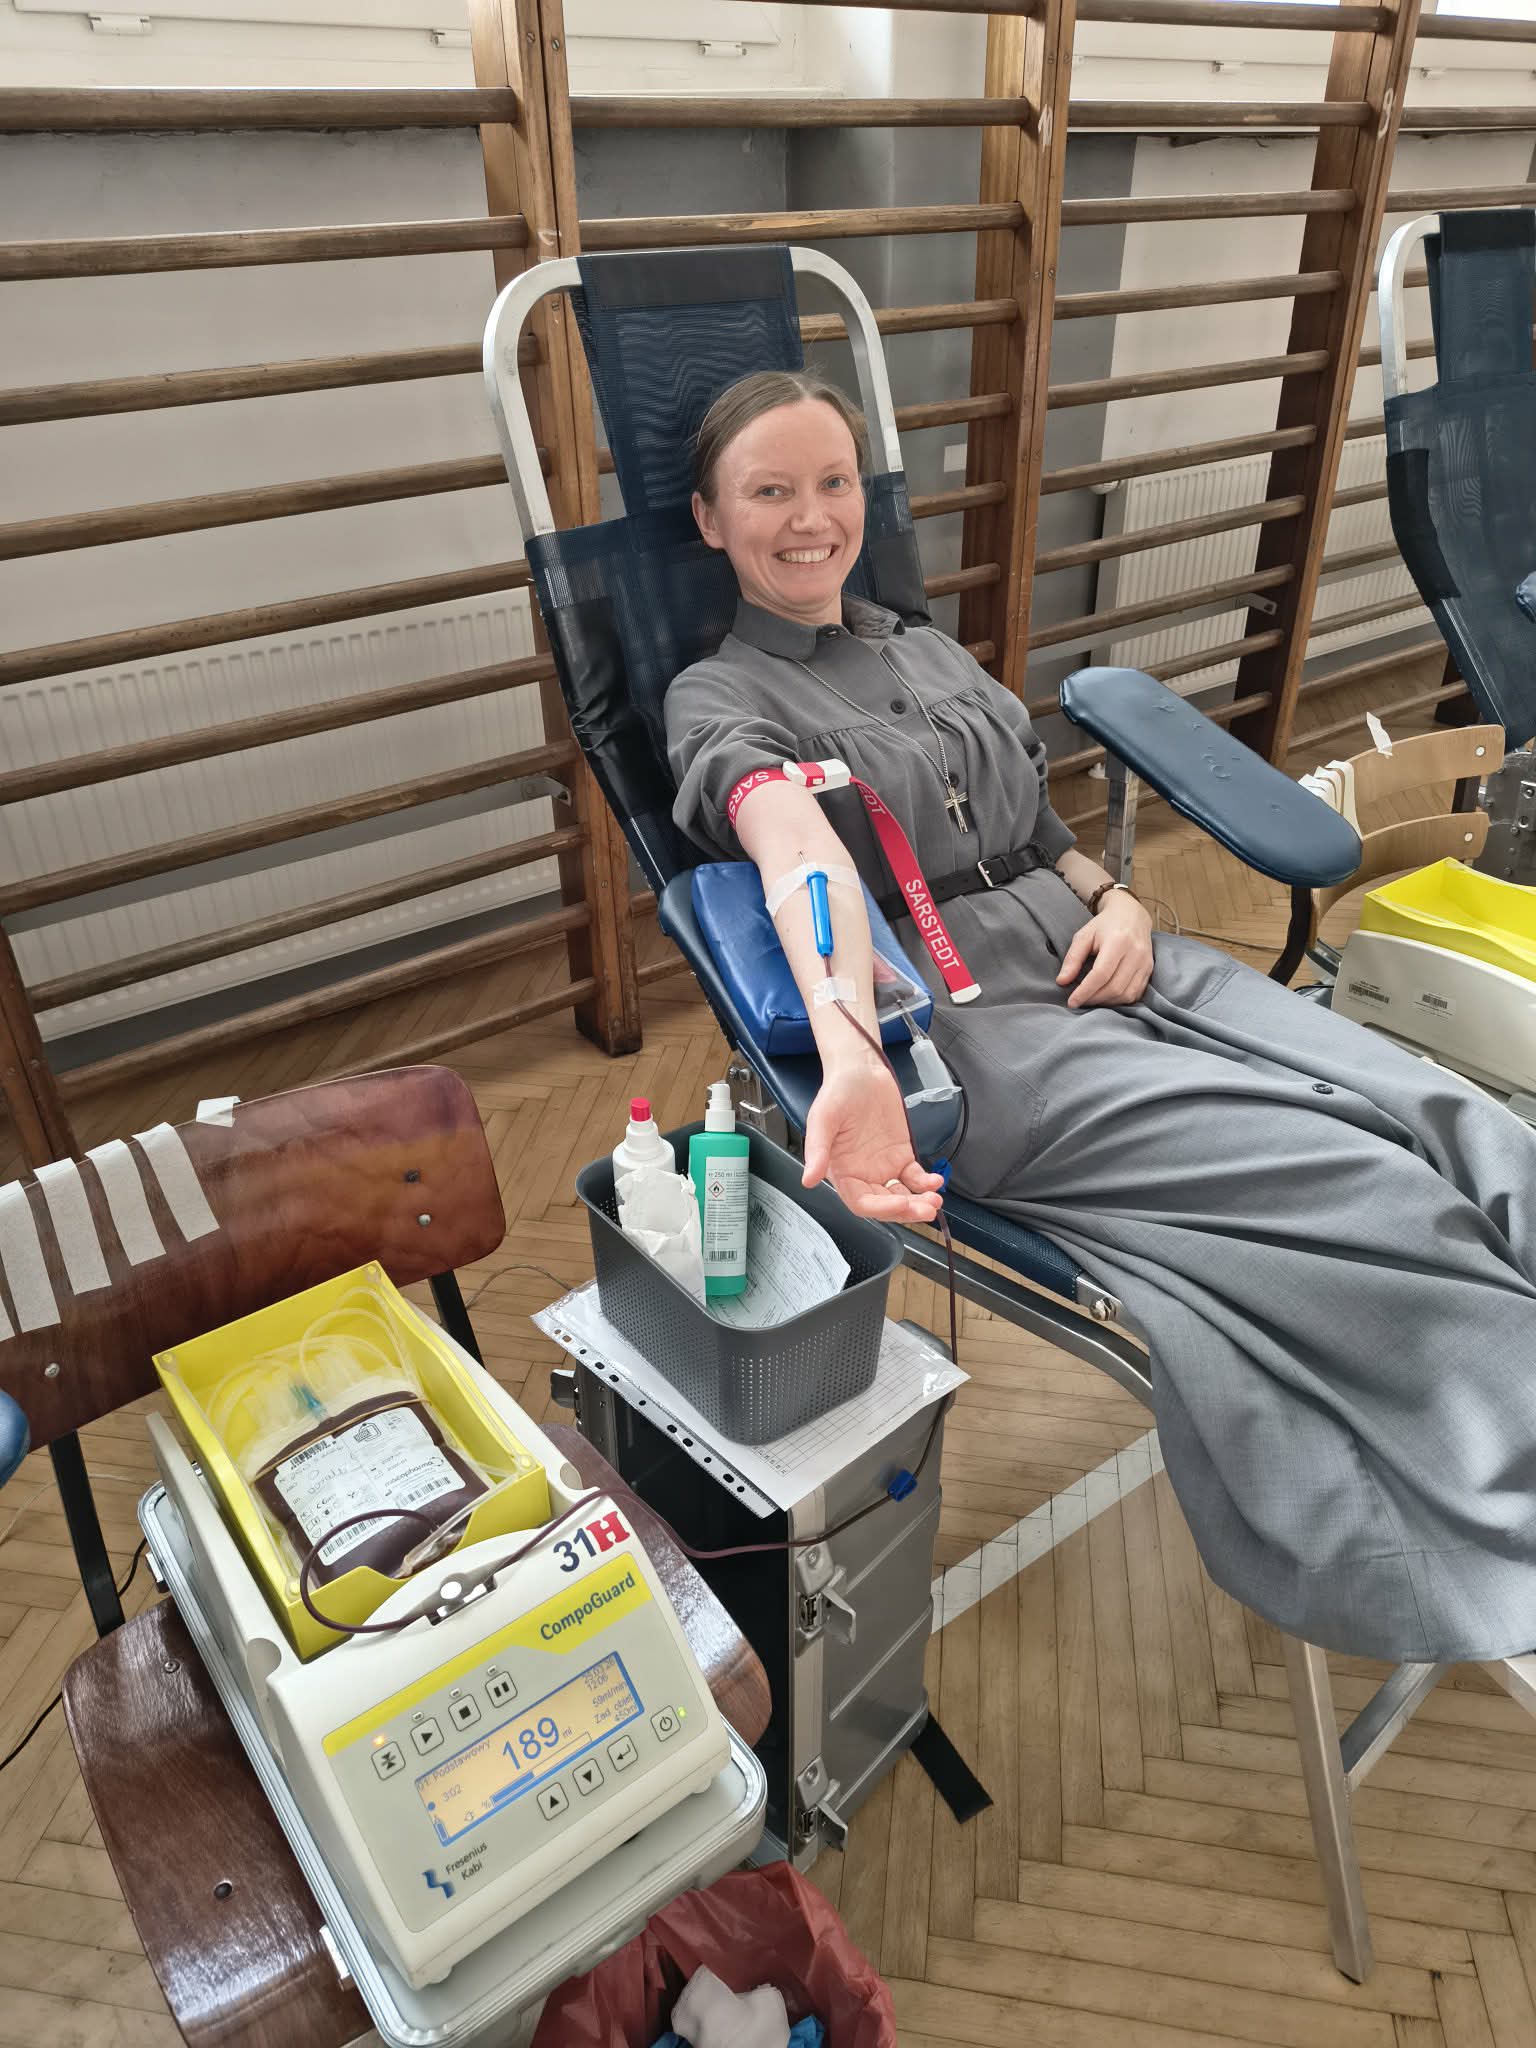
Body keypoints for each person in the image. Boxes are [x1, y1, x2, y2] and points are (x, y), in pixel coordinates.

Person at [664, 367, 1536, 1666]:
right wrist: (851, 1050)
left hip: (1117, 958)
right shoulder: (719, 696)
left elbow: (1036, 834)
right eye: (768, 491)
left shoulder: (923, 646)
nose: (810, 517)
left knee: (1448, 1115)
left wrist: (1117, 898)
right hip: (980, 1033)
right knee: (1371, 1188)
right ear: (709, 520)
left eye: (833, 483)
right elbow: (800, 857)